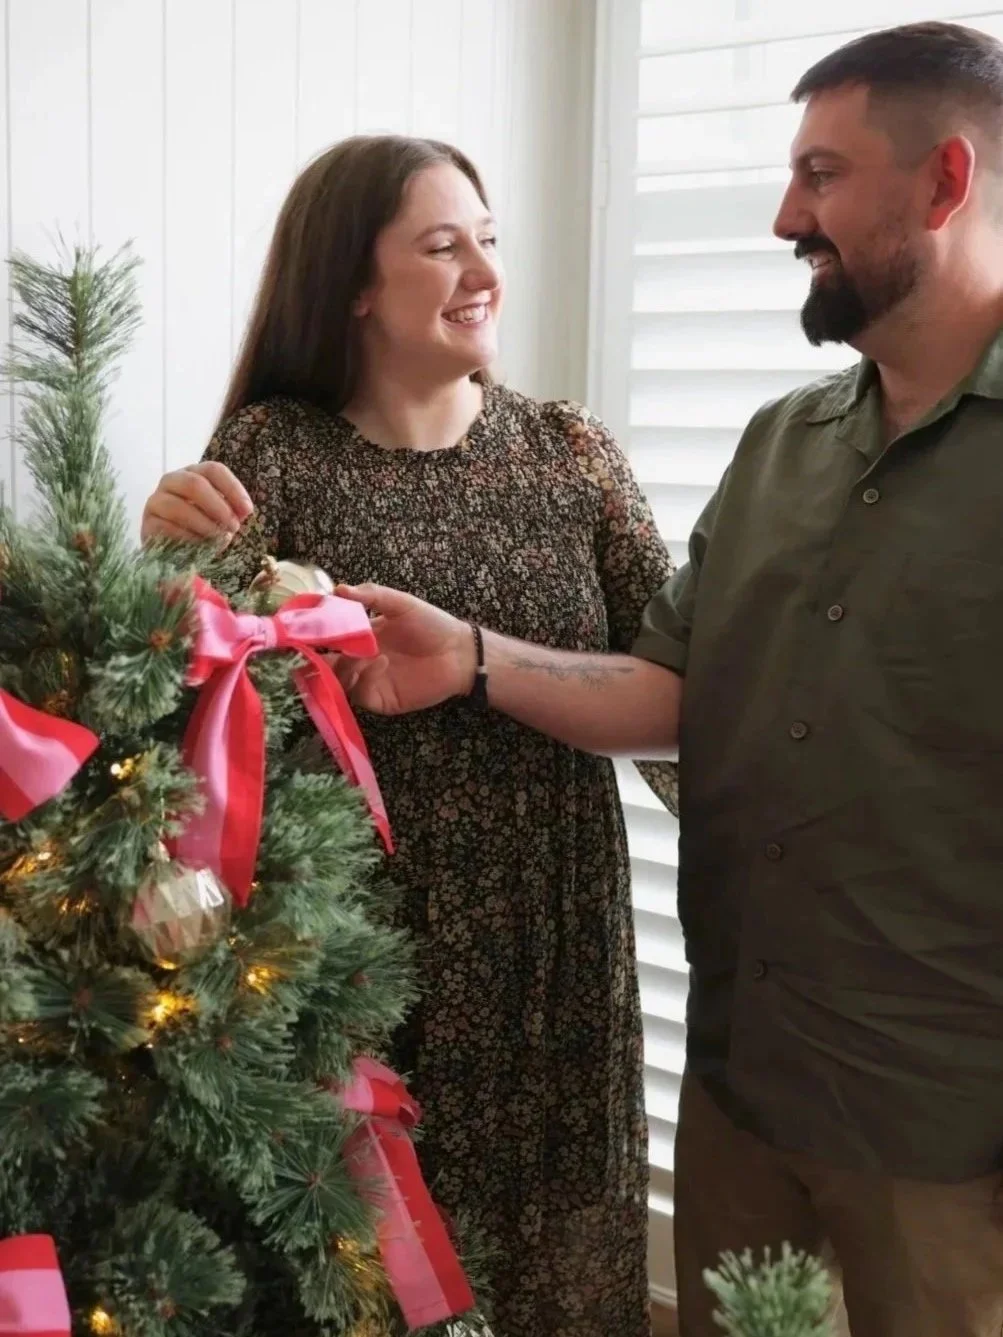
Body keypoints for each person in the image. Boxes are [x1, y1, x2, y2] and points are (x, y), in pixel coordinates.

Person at [332, 23, 1003, 1337]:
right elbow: (665, 691)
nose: (780, 216)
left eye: (819, 174)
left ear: (940, 184)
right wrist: (470, 658)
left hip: (938, 1143)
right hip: (739, 1095)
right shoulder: (779, 446)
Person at [140, 134, 679, 1337]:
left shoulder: (572, 454)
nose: (483, 268)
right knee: (371, 1279)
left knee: (558, 1275)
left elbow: (678, 687)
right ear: (353, 285)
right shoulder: (271, 459)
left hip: (557, 946)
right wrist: (163, 565)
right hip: (356, 960)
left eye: (489, 238)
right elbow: (193, 713)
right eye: (443, 245)